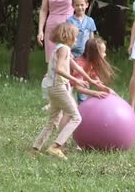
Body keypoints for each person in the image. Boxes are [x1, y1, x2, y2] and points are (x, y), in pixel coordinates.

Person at [31, 23, 102, 159]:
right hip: (58, 88)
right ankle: (56, 146)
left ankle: (35, 148)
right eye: (75, 37)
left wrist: (92, 81)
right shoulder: (63, 49)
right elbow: (59, 69)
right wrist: (77, 81)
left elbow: (77, 68)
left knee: (53, 120)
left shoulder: (62, 49)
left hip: (54, 88)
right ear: (67, 37)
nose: (76, 40)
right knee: (76, 117)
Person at [67, 0, 97, 104]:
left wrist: (92, 53)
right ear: (73, 6)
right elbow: (67, 38)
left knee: (83, 79)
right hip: (72, 55)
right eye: (77, 5)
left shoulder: (90, 21)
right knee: (70, 79)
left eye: (82, 5)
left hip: (85, 56)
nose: (80, 7)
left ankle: (83, 103)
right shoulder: (70, 21)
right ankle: (67, 102)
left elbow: (91, 39)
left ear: (87, 5)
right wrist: (68, 52)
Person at [70, 37, 116, 105]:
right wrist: (94, 93)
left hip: (69, 89)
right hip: (63, 87)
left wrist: (107, 90)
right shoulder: (81, 64)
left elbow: (97, 82)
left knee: (69, 112)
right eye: (103, 52)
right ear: (95, 54)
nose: (105, 54)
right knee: (71, 112)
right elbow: (78, 87)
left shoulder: (92, 64)